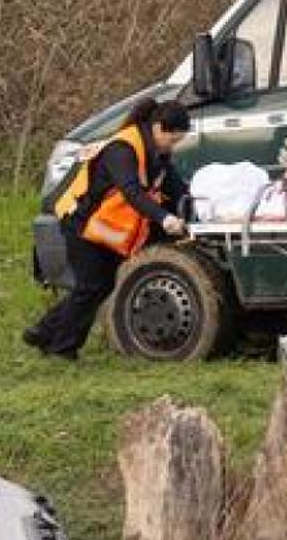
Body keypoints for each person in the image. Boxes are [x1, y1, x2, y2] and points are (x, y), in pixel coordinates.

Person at [23, 98, 191, 360]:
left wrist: (196, 207)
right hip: (81, 221)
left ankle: (44, 332)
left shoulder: (158, 154)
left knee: (99, 286)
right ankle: (62, 348)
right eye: (174, 138)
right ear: (159, 128)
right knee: (90, 286)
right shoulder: (122, 149)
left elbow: (175, 187)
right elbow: (132, 192)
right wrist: (164, 218)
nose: (175, 144)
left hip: (107, 231)